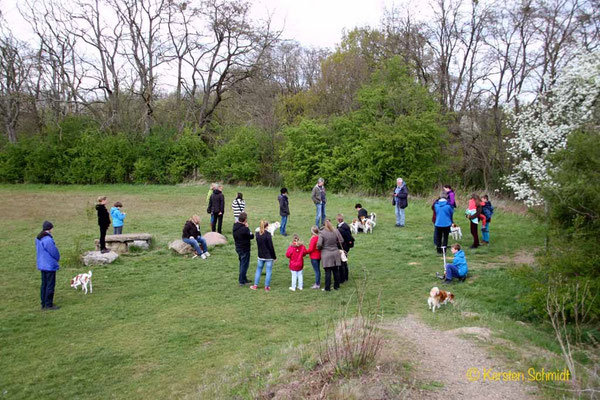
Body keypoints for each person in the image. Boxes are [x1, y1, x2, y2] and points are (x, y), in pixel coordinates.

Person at [36, 221, 61, 310]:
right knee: (50, 284)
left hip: (42, 264)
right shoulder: (47, 239)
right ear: (50, 228)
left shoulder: (39, 238)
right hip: (49, 265)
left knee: (44, 284)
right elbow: (53, 251)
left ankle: (43, 302)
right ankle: (48, 304)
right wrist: (57, 257)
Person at [317, 219, 343, 291]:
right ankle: (336, 286)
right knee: (336, 271)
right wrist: (335, 244)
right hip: (335, 252)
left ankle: (327, 288)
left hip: (326, 253)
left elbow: (319, 244)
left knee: (328, 272)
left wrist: (320, 248)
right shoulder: (336, 231)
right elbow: (341, 240)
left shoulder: (322, 233)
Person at [250, 220, 276, 291]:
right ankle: (266, 287)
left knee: (258, 270)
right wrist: (274, 257)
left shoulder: (257, 234)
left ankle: (255, 286)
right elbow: (271, 247)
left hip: (260, 255)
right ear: (266, 226)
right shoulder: (268, 235)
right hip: (269, 257)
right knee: (268, 271)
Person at [232, 212, 253, 286]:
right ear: (245, 220)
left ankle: (244, 278)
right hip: (245, 248)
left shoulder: (235, 226)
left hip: (238, 247)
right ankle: (241, 280)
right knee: (244, 265)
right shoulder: (244, 229)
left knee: (242, 263)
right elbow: (251, 236)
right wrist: (247, 228)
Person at [336, 214, 354, 283]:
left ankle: (343, 277)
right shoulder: (343, 226)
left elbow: (349, 237)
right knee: (344, 262)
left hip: (343, 247)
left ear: (338, 220)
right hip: (344, 246)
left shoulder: (343, 227)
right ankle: (345, 276)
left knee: (342, 263)